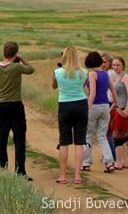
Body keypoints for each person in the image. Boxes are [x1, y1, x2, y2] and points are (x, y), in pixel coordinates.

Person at [0, 41, 35, 180]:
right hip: (15, 105)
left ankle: (1, 168)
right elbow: (31, 69)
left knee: (2, 138)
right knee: (19, 139)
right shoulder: (17, 67)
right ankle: (20, 170)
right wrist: (22, 59)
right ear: (15, 53)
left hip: (1, 105)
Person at [52, 46, 89, 185]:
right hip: (80, 103)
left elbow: (54, 86)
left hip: (65, 104)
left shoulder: (58, 72)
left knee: (64, 141)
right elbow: (83, 86)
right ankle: (78, 175)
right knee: (80, 141)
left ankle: (63, 175)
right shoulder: (84, 72)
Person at [82, 51, 119, 173]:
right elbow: (113, 90)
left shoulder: (93, 74)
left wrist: (88, 107)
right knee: (102, 136)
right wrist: (116, 104)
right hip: (105, 106)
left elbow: (92, 93)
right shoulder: (105, 74)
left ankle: (86, 163)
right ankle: (109, 162)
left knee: (88, 135)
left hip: (95, 106)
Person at [112, 56, 128, 169]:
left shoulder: (125, 77)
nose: (116, 67)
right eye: (114, 65)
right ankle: (124, 161)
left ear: (123, 66)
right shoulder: (114, 77)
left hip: (125, 107)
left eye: (118, 65)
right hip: (117, 108)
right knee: (121, 135)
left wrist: (126, 109)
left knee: (118, 136)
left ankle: (119, 162)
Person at [101, 53, 117, 162]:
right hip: (106, 103)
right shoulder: (106, 73)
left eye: (105, 62)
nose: (103, 64)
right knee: (104, 132)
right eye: (102, 62)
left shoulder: (110, 74)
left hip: (109, 104)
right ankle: (107, 156)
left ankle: (112, 158)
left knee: (107, 133)